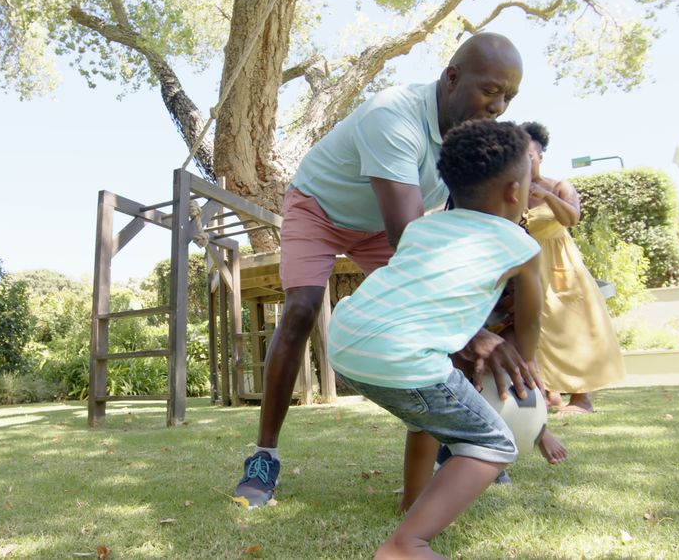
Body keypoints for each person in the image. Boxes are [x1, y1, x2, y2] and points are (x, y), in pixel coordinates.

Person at [231, 33, 533, 509]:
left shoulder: (469, 140)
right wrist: (476, 334)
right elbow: (409, 237)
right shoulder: (393, 115)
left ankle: (457, 442)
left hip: (382, 223)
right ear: (451, 77)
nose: (498, 106)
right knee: (303, 308)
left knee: (439, 318)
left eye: (508, 97)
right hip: (321, 208)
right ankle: (264, 455)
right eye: (490, 90)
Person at [328, 120, 542, 559]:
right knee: (494, 443)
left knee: (425, 412)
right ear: (513, 192)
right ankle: (407, 544)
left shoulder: (421, 229)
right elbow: (532, 318)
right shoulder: (519, 242)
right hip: (401, 354)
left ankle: (412, 501)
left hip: (346, 341)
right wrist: (530, 365)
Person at [519, 121, 625, 413]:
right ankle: (550, 394)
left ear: (540, 155)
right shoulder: (513, 191)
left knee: (574, 326)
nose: (525, 160)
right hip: (529, 267)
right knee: (539, 329)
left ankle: (582, 398)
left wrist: (548, 196)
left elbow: (571, 219)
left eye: (530, 154)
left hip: (561, 266)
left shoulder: (560, 186)